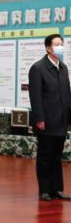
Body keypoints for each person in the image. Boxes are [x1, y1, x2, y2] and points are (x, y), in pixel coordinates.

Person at [28, 34, 71, 202]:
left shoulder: (63, 67)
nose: (61, 47)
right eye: (57, 44)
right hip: (46, 120)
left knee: (56, 156)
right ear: (48, 48)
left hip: (61, 119)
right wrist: (39, 118)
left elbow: (67, 94)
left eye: (62, 44)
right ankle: (45, 190)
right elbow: (35, 96)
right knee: (45, 156)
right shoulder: (38, 68)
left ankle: (57, 189)